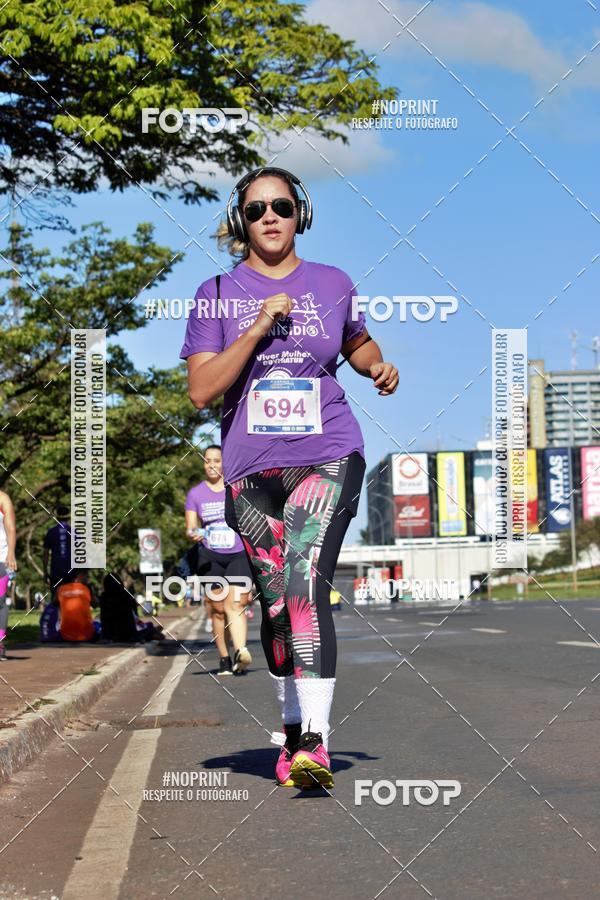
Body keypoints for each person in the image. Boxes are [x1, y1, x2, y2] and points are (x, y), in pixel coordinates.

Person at [180, 166, 398, 789]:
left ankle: (316, 743)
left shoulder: (332, 283)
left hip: (327, 451)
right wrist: (255, 327)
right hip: (250, 468)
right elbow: (201, 390)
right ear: (239, 222)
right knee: (278, 607)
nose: (269, 217)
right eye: (255, 210)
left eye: (281, 205)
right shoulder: (216, 292)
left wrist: (379, 368)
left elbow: (358, 346)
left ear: (301, 214)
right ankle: (293, 734)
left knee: (304, 584)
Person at [185, 444, 253, 676]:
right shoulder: (196, 494)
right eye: (207, 460)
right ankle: (224, 657)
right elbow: (192, 526)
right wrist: (193, 532)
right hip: (210, 556)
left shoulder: (235, 488)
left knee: (237, 603)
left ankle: (241, 652)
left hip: (237, 553)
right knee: (218, 610)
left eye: (216, 460)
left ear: (225, 463)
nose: (211, 464)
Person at [100, 574, 163, 643]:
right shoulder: (126, 595)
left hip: (111, 634)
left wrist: (105, 635)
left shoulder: (104, 597)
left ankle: (151, 631)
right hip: (129, 633)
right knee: (147, 626)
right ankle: (151, 632)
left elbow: (103, 617)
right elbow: (135, 614)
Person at [0, 491, 17, 661]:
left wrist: (11, 554)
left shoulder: (3, 498)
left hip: (1, 558)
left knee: (0, 600)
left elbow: (11, 528)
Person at [56, 571, 95, 642]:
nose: (87, 578)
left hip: (65, 636)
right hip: (87, 635)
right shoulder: (86, 588)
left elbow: (54, 604)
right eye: (86, 576)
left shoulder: (60, 589)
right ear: (80, 575)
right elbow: (95, 604)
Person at [43, 505, 72, 595]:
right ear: (68, 517)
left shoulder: (51, 532)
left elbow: (45, 554)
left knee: (56, 598)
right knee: (71, 598)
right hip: (71, 572)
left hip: (56, 572)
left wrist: (45, 572)